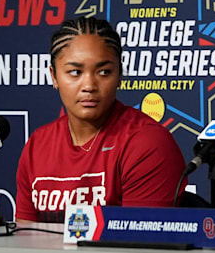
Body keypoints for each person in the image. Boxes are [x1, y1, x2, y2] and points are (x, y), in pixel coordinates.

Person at [15, 17, 186, 222]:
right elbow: (24, 240)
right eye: (75, 72)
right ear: (54, 76)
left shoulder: (147, 144)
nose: (89, 85)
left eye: (104, 72)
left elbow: (142, 248)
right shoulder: (37, 145)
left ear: (120, 75)